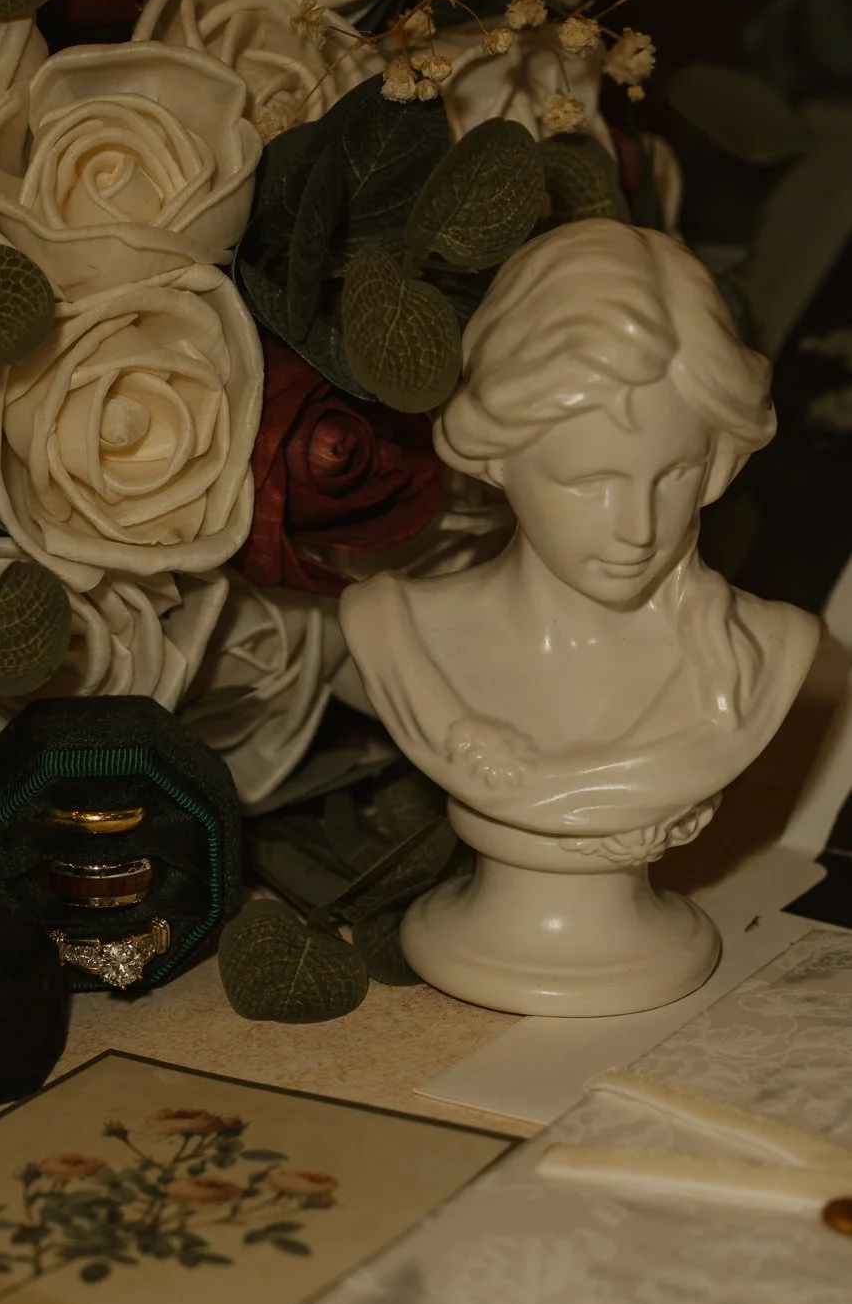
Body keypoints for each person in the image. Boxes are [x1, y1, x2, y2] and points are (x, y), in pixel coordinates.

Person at [340, 219, 820, 845]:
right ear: (497, 455)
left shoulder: (767, 651)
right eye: (590, 481)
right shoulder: (396, 632)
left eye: (675, 474)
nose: (640, 530)